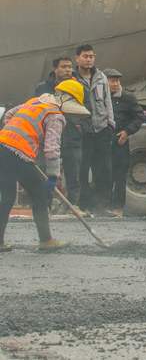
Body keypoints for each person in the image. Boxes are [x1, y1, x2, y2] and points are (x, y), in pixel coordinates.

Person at [0, 80, 89, 252]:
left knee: (8, 196)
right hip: (17, 153)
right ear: (67, 100)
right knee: (39, 194)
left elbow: (8, 116)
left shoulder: (35, 102)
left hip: (1, 146)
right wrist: (53, 175)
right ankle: (46, 241)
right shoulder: (55, 115)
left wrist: (26, 141)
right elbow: (52, 148)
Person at [36, 55, 85, 208]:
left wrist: (81, 128)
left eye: (69, 67)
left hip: (72, 138)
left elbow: (89, 111)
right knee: (45, 172)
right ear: (54, 69)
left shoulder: (79, 87)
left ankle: (72, 206)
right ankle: (45, 205)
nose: (67, 70)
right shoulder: (42, 89)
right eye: (63, 67)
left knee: (73, 175)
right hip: (48, 139)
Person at [73, 44, 115, 214]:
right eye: (85, 56)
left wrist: (111, 124)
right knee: (82, 170)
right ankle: (84, 205)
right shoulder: (73, 78)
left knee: (103, 170)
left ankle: (101, 206)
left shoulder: (101, 77)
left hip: (101, 130)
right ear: (77, 58)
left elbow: (107, 102)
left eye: (91, 56)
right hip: (83, 132)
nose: (89, 59)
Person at [105, 68, 144, 214]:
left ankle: (117, 207)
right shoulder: (100, 98)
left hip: (120, 142)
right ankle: (103, 206)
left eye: (117, 80)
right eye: (112, 80)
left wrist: (127, 131)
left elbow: (139, 117)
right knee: (104, 175)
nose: (115, 84)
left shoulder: (127, 97)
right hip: (103, 143)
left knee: (120, 176)